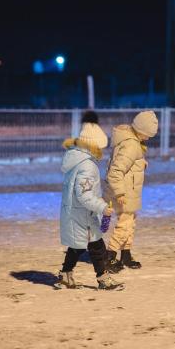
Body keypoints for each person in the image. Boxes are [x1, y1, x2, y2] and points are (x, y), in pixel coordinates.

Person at [58, 122, 123, 290]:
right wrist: (102, 206)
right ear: (92, 145)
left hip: (76, 213)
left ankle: (65, 274)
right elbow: (84, 195)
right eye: (100, 147)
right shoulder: (87, 165)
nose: (101, 151)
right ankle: (103, 279)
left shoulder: (76, 160)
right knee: (97, 247)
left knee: (76, 247)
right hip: (84, 215)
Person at [104, 111, 159, 272]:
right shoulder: (131, 145)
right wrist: (120, 193)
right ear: (140, 130)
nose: (148, 138)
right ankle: (109, 257)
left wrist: (141, 163)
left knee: (130, 223)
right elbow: (115, 171)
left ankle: (126, 254)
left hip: (130, 190)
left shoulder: (132, 142)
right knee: (124, 225)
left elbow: (128, 163)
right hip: (124, 193)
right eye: (147, 135)